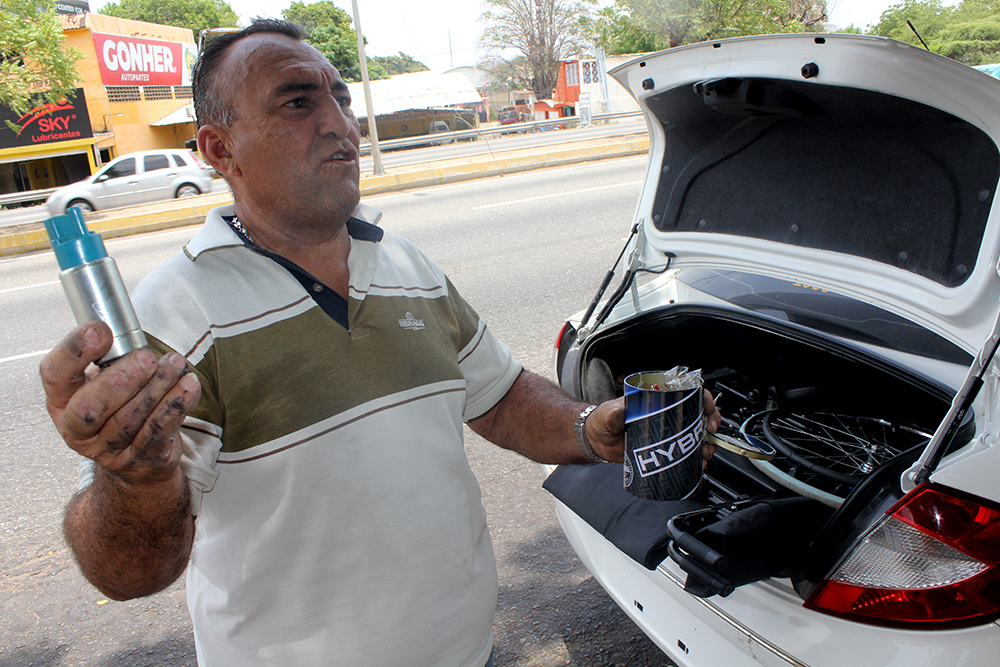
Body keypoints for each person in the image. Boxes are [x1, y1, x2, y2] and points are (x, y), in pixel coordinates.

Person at [40, 19, 720, 667]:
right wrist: (137, 477)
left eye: (339, 96)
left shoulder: (406, 264)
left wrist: (585, 428)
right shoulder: (173, 313)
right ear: (220, 150)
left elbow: (499, 396)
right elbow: (128, 573)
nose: (339, 122)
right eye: (298, 103)